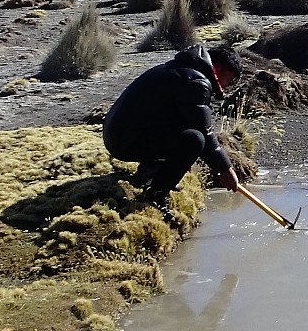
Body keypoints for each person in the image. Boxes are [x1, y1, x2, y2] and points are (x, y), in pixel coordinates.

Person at [103, 44, 243, 208]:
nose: (227, 85)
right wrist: (226, 169)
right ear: (218, 68)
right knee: (195, 140)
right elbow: (204, 131)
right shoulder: (196, 81)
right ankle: (156, 195)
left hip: (119, 135)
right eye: (230, 78)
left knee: (186, 129)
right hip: (125, 142)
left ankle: (151, 170)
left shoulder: (182, 70)